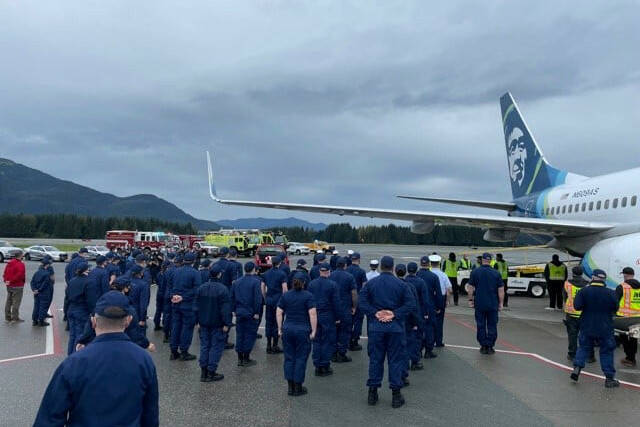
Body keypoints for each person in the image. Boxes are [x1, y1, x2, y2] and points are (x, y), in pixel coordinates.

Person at [34, 291, 159, 426]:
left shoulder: (74, 363)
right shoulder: (144, 360)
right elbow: (150, 413)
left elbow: (49, 417)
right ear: (128, 320)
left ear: (93, 321)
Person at [359, 256, 415, 408]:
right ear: (392, 267)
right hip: (395, 328)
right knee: (396, 361)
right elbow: (410, 304)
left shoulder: (371, 283)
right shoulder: (401, 285)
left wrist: (374, 313)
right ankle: (396, 395)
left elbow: (361, 301)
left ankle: (372, 392)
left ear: (381, 266)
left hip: (376, 327)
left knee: (376, 360)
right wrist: (395, 314)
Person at [76, 277, 156, 353]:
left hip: (100, 344)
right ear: (125, 288)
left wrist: (82, 340)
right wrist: (147, 344)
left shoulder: (102, 302)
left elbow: (89, 326)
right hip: (121, 345)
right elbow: (134, 332)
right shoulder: (128, 308)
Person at [570, 269, 620, 387]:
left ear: (592, 278)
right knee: (606, 351)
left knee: (583, 347)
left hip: (587, 325)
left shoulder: (584, 291)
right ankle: (609, 378)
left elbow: (577, 306)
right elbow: (615, 308)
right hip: (605, 326)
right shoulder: (611, 293)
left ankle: (577, 368)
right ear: (604, 279)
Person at [277, 277, 318, 396]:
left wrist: (280, 329)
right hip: (302, 330)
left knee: (289, 357)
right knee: (300, 358)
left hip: (288, 329)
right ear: (304, 283)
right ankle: (298, 386)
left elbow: (279, 312)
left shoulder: (286, 296)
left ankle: (290, 386)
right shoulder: (308, 296)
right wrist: (314, 331)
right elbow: (313, 314)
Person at [194, 263, 232, 382]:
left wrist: (197, 321)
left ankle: (203, 372)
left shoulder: (201, 288)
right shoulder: (223, 289)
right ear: (219, 274)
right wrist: (227, 323)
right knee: (216, 347)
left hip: (204, 322)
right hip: (217, 324)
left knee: (205, 346)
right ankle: (211, 372)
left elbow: (196, 306)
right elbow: (225, 309)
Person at [307, 263, 341, 377]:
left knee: (316, 341)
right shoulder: (333, 285)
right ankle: (325, 365)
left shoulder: (312, 284)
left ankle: (317, 365)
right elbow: (336, 303)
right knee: (327, 341)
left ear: (319, 271)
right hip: (327, 315)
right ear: (329, 271)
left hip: (315, 315)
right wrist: (337, 317)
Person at [467, 253, 504, 354]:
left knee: (481, 325)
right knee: (492, 325)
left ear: (482, 260)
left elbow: (470, 288)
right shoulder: (496, 273)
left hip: (480, 303)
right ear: (490, 260)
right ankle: (490, 346)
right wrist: (501, 303)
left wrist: (470, 300)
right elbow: (501, 290)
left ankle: (483, 345)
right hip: (493, 303)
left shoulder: (475, 272)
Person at [169, 252, 202, 361]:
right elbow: (197, 289)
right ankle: (184, 351)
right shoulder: (195, 273)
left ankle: (173, 351)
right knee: (187, 328)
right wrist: (183, 297)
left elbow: (170, 285)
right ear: (193, 261)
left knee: (176, 326)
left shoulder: (175, 271)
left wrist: (173, 296)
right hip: (188, 304)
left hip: (175, 302)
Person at [231, 261, 263, 367]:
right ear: (253, 269)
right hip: (250, 312)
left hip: (240, 312)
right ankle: (246, 357)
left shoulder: (237, 282)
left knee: (240, 334)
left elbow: (232, 297)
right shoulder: (255, 282)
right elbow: (257, 299)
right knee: (249, 335)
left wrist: (234, 310)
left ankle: (239, 357)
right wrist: (257, 312)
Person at [396, 264, 423, 381]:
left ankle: (398, 375)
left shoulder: (393, 285)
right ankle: (403, 374)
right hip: (407, 321)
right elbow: (413, 306)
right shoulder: (409, 286)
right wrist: (417, 322)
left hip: (394, 320)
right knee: (407, 346)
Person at [563, 265, 595, 362]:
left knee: (572, 335)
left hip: (571, 313)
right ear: (582, 273)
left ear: (573, 273)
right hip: (584, 313)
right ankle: (590, 356)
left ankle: (572, 354)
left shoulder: (567, 283)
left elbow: (565, 297)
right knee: (587, 335)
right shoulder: (588, 284)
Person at [65, 261, 97, 355]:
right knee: (80, 335)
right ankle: (76, 355)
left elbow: (67, 297)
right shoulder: (89, 281)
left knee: (72, 334)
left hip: (71, 308)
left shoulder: (72, 280)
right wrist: (93, 313)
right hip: (82, 310)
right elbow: (91, 300)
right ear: (86, 270)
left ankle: (70, 354)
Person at [330, 257, 357, 363]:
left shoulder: (331, 275)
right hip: (345, 308)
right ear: (345, 265)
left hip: (333, 308)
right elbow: (354, 293)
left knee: (333, 331)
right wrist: (354, 306)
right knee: (345, 331)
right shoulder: (349, 277)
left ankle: (333, 352)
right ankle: (342, 353)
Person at [613, 266, 640, 367]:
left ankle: (629, 358)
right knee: (634, 338)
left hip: (624, 318)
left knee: (624, 337)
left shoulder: (622, 287)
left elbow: (615, 302)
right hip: (637, 317)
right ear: (633, 275)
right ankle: (632, 358)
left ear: (625, 275)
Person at [416, 256, 441, 358]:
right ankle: (428, 350)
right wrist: (438, 307)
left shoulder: (416, 275)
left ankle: (418, 349)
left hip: (418, 306)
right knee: (429, 328)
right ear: (429, 264)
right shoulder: (434, 276)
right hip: (430, 305)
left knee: (418, 328)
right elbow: (438, 294)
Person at [263, 255, 288, 354]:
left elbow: (263, 287)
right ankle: (275, 345)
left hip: (269, 299)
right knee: (278, 322)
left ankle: (268, 345)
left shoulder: (266, 273)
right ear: (279, 263)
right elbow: (285, 289)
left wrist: (265, 297)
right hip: (278, 300)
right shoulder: (282, 274)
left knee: (269, 321)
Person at [404, 262, 426, 368]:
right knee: (416, 338)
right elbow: (425, 300)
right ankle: (415, 360)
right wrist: (425, 314)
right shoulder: (420, 282)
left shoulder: (404, 281)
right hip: (417, 312)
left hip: (404, 314)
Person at [429, 255, 452, 347]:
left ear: (430, 263)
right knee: (439, 321)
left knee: (429, 321)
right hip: (440, 298)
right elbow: (449, 289)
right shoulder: (443, 275)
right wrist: (447, 300)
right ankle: (438, 341)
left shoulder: (428, 274)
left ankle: (429, 340)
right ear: (439, 263)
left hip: (429, 298)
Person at [347, 252, 368, 351]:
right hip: (358, 298)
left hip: (348, 299)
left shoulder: (347, 270)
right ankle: (355, 340)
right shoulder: (361, 271)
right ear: (359, 259)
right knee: (358, 321)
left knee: (349, 321)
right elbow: (364, 286)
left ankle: (348, 339)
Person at [30, 256, 55, 327]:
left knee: (36, 306)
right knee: (43, 307)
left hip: (36, 293)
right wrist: (39, 290)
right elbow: (45, 284)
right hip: (43, 292)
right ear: (47, 265)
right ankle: (41, 321)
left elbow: (32, 282)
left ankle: (34, 321)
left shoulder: (37, 272)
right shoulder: (47, 274)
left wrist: (34, 290)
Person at [4, 251, 25, 323]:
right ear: (20, 256)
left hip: (9, 285)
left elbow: (5, 273)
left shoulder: (9, 263)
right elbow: (20, 275)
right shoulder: (20, 264)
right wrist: (13, 281)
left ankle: (7, 317)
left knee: (9, 301)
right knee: (16, 302)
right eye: (22, 255)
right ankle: (15, 318)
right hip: (17, 285)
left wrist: (6, 281)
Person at [129, 264, 151, 335]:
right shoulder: (143, 284)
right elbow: (143, 304)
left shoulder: (127, 282)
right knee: (140, 335)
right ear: (140, 273)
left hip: (127, 311)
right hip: (137, 312)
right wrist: (142, 318)